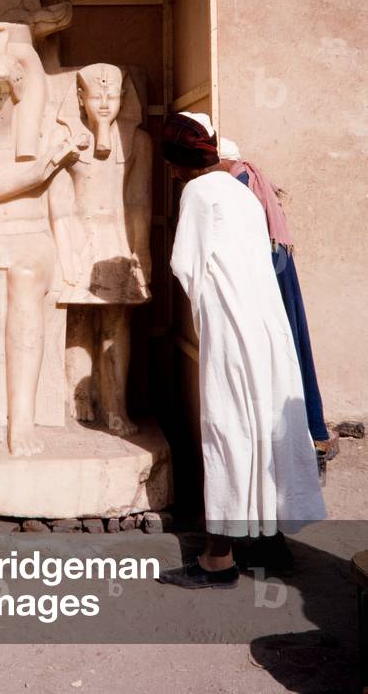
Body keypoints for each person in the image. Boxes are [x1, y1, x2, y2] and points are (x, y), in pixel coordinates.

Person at [158, 112, 325, 590]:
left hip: (233, 331)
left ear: (178, 164)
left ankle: (218, 559)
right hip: (270, 329)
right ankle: (269, 540)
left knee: (229, 430)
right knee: (268, 425)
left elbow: (186, 266)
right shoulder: (239, 189)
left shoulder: (197, 193)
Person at [218, 136, 330, 447]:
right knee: (291, 345)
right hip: (279, 267)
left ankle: (302, 432)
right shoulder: (249, 176)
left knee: (283, 348)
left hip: (271, 272)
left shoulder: (239, 181)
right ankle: (310, 430)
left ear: (221, 161)